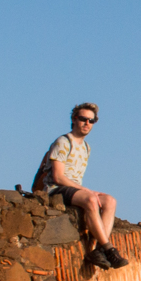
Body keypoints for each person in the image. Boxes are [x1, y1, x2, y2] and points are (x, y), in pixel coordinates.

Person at [35, 102, 128, 269]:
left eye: (91, 121)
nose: (87, 123)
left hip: (75, 189)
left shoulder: (86, 147)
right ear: (74, 119)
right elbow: (57, 177)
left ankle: (98, 251)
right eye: (83, 119)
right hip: (55, 190)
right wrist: (86, 190)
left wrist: (85, 190)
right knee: (92, 200)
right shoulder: (63, 142)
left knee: (110, 201)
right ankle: (109, 249)